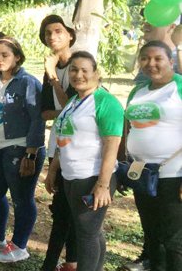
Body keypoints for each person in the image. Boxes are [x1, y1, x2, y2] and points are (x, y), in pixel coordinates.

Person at [45, 51, 123, 271]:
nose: (78, 74)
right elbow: (64, 139)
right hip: (71, 176)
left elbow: (112, 145)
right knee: (91, 230)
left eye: (84, 70)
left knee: (86, 234)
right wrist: (53, 171)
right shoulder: (73, 101)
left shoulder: (106, 102)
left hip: (91, 176)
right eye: (73, 70)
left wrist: (103, 185)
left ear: (96, 73)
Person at [0, 37, 45, 263]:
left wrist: (31, 152)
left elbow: (38, 118)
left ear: (17, 56)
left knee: (21, 197)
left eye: (5, 55)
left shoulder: (28, 82)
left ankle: (19, 245)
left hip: (19, 148)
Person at [124, 41, 182, 271]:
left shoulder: (179, 87)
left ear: (171, 61)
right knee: (152, 235)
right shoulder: (138, 90)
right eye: (145, 59)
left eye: (158, 58)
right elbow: (127, 128)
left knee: (174, 240)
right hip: (143, 174)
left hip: (173, 175)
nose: (151, 63)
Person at [38, 15, 79, 271]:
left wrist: (54, 76)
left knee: (70, 206)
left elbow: (74, 107)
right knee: (61, 205)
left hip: (78, 145)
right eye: (47, 34)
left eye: (57, 31)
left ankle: (65, 261)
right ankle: (67, 261)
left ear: (70, 35)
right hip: (57, 142)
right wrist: (64, 109)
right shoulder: (49, 66)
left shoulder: (78, 63)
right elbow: (45, 112)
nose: (52, 37)